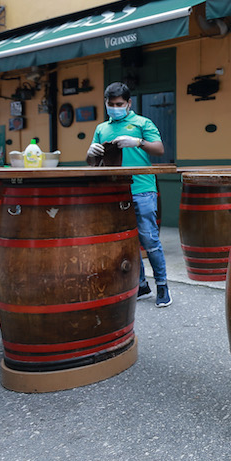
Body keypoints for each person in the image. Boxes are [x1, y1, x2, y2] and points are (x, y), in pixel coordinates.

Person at [86, 82, 172, 307]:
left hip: (142, 188)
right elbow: (93, 162)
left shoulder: (143, 122)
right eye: (111, 104)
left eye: (119, 104)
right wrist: (89, 152)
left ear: (128, 103)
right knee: (128, 242)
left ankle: (162, 286)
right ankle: (141, 284)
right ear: (105, 103)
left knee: (150, 240)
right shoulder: (101, 128)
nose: (115, 107)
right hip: (114, 192)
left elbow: (160, 149)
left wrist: (139, 142)